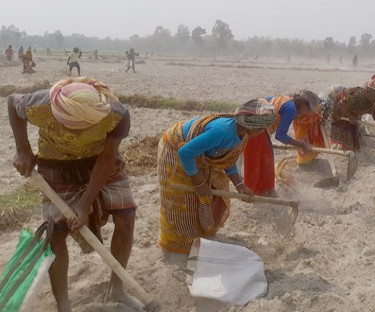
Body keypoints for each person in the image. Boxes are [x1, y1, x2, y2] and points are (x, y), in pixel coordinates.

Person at [8, 77, 139, 311]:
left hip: (100, 162)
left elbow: (107, 159)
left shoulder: (116, 114)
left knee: (126, 216)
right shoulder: (39, 104)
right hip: (56, 166)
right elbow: (12, 102)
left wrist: (84, 204)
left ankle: (116, 289)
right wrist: (23, 148)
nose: (76, 136)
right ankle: (64, 305)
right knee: (57, 232)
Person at [157, 99, 275, 254]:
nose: (261, 131)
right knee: (183, 199)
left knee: (208, 192)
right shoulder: (222, 131)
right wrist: (198, 182)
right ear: (252, 125)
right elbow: (185, 153)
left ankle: (198, 234)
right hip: (176, 147)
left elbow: (228, 159)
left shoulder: (242, 135)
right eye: (261, 127)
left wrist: (240, 186)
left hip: (197, 153)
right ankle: (176, 243)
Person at [243, 91, 322, 195]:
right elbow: (280, 136)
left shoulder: (288, 102)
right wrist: (302, 145)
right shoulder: (291, 109)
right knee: (259, 160)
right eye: (308, 109)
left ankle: (266, 190)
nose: (307, 113)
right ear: (302, 104)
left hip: (258, 125)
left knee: (266, 159)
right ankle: (256, 192)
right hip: (255, 126)